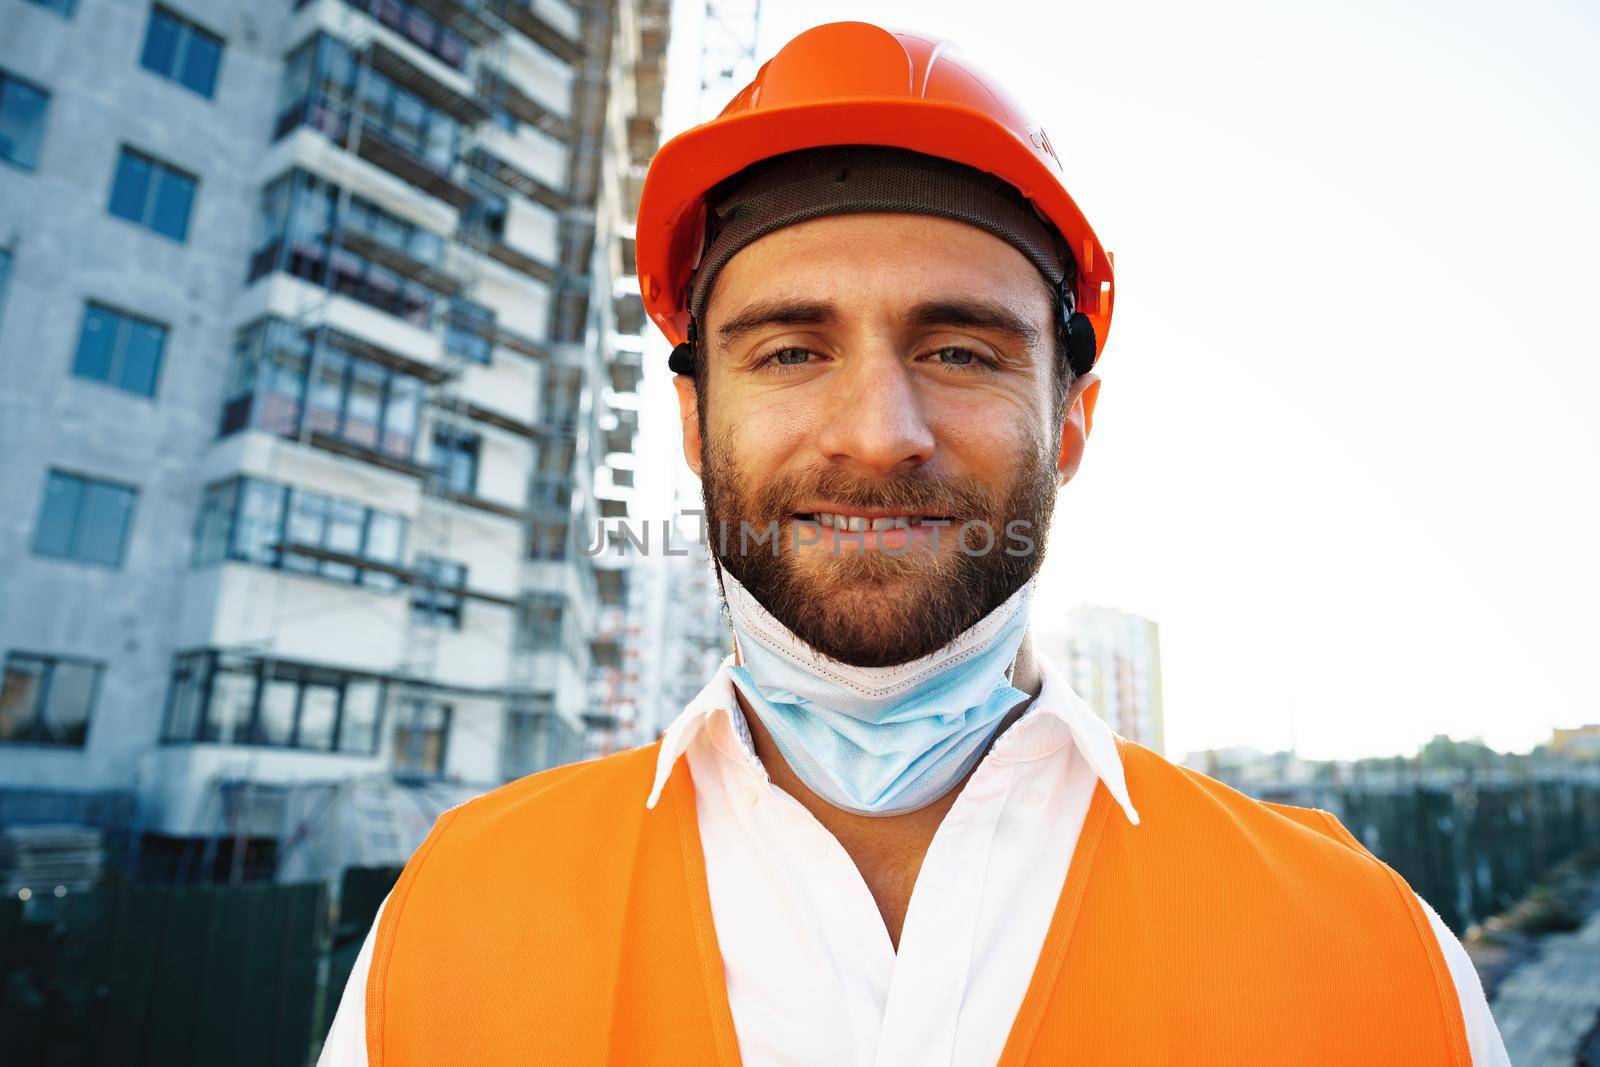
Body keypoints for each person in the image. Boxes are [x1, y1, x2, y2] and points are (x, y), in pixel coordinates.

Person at [319, 20, 1508, 1066]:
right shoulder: (453, 922)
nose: (880, 435)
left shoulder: (1367, 950)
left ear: (1071, 422)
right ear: (691, 419)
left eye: (958, 350)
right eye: (791, 350)